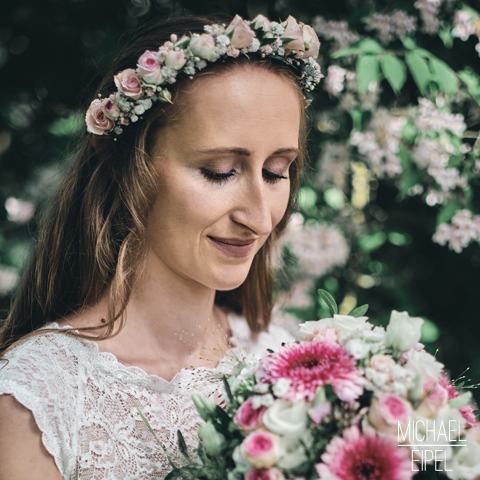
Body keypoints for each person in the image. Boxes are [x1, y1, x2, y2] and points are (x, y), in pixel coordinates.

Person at [0, 13, 321, 479]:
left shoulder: (288, 358)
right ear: (123, 164)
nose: (258, 215)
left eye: (276, 172)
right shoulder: (39, 399)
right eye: (219, 171)